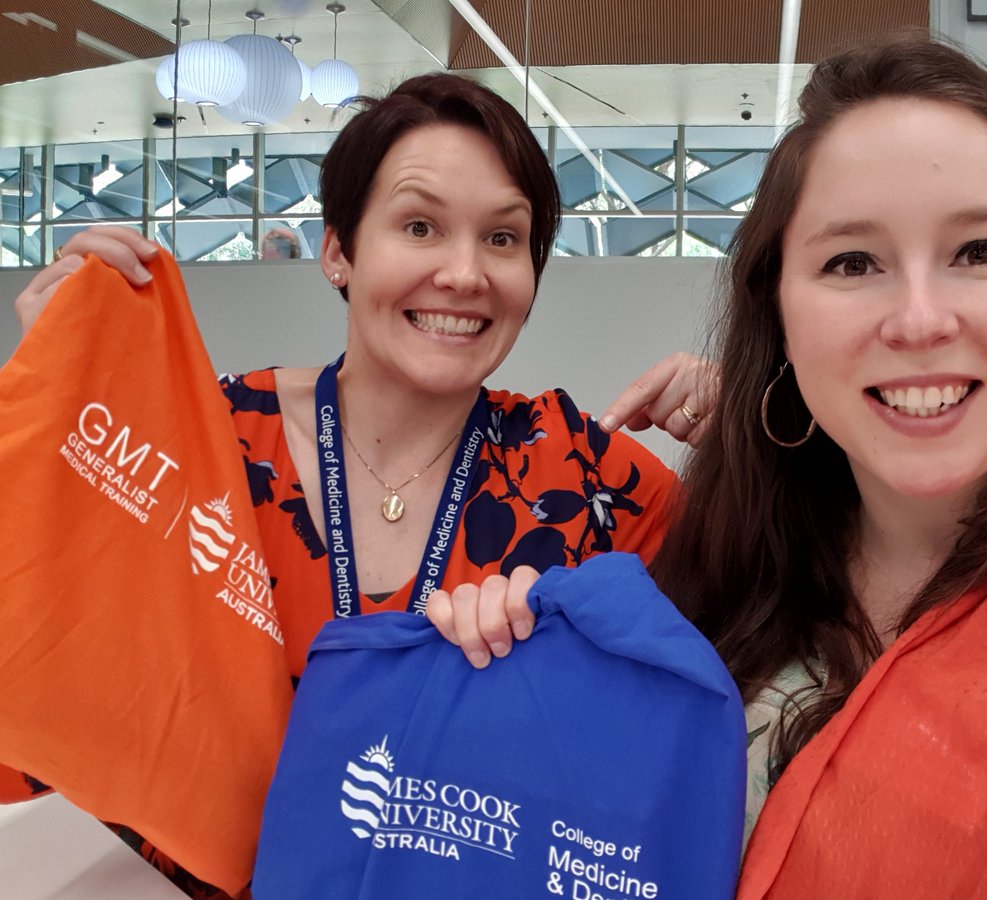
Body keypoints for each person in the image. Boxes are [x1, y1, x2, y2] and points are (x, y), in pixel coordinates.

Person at [6, 73, 711, 898]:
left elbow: (801, 604)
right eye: (420, 226)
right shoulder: (205, 442)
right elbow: (48, 664)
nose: (464, 273)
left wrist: (768, 427)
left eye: (503, 238)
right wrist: (62, 406)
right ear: (339, 249)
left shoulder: (577, 473)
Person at [643, 37, 987, 895]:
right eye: (851, 262)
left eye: (980, 251)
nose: (918, 320)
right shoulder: (704, 593)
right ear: (781, 314)